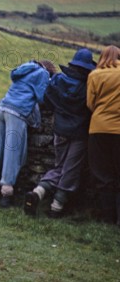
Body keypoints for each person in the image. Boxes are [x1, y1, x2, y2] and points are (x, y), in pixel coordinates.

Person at [24, 49, 96, 218]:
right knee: (71, 169)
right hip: (79, 132)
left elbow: (47, 100)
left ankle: (38, 192)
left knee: (59, 166)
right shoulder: (88, 86)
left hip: (59, 129)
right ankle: (57, 206)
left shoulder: (57, 80)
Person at [0, 59, 57, 208]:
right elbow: (41, 97)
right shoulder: (43, 73)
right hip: (17, 112)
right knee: (12, 153)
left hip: (1, 108)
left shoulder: (25, 69)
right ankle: (6, 194)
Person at [85, 45, 120, 225]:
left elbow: (90, 103)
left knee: (102, 173)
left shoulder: (95, 75)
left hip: (99, 127)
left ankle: (108, 217)